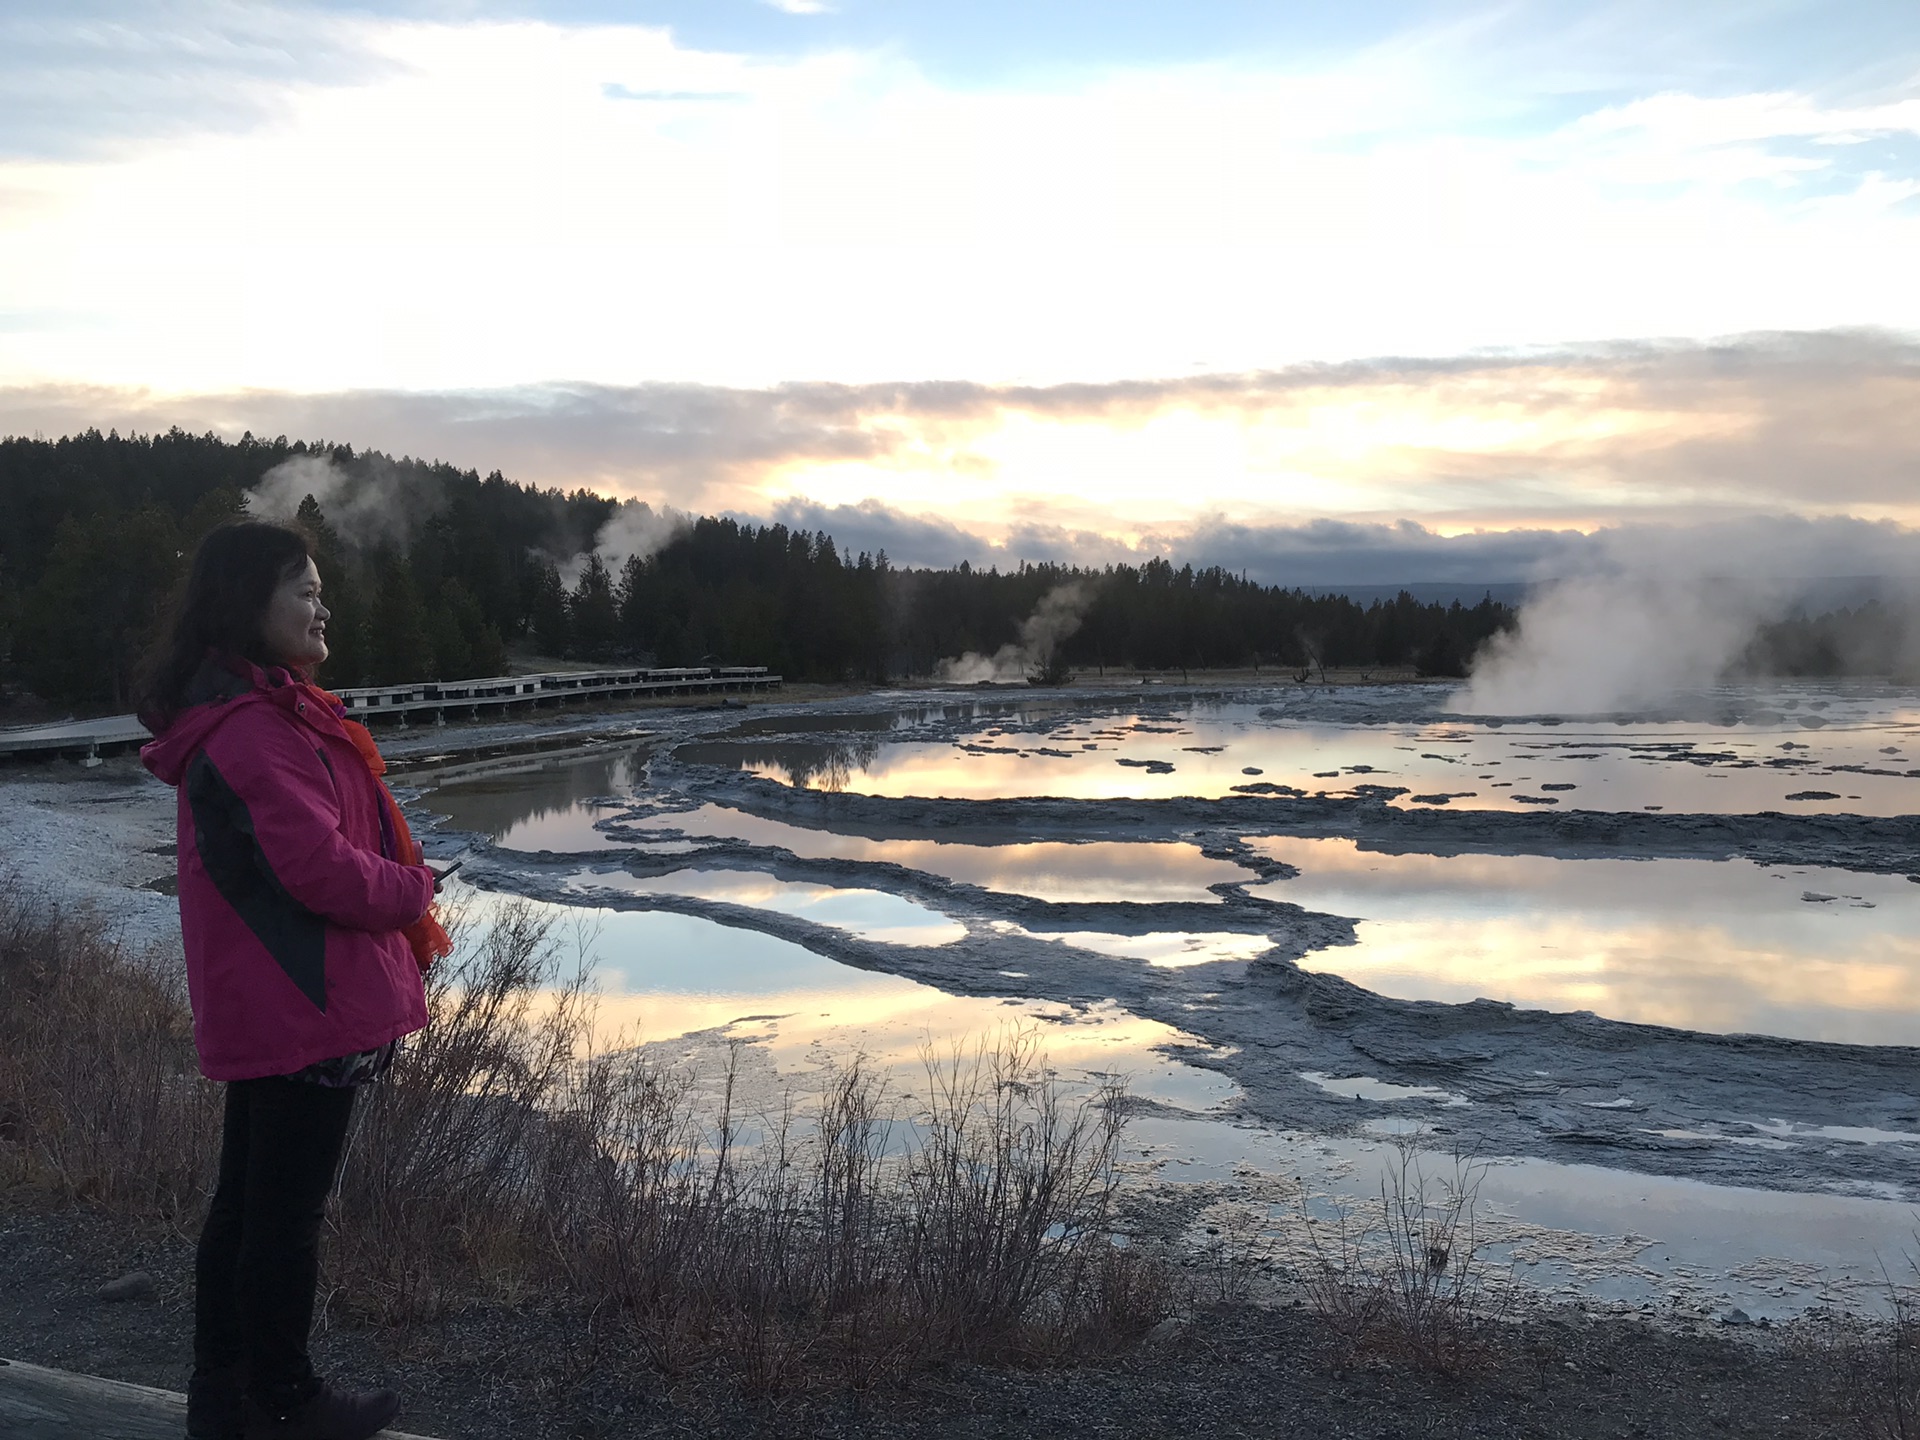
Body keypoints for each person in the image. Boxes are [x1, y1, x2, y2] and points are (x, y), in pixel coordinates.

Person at [138, 520, 450, 1440]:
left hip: (280, 998)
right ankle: (285, 1400)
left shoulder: (263, 717)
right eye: (304, 591)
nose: (324, 608)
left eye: (320, 592)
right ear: (249, 606)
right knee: (281, 1216)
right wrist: (414, 887)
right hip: (301, 1003)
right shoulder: (255, 732)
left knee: (247, 1204)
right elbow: (320, 869)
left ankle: (222, 1398)